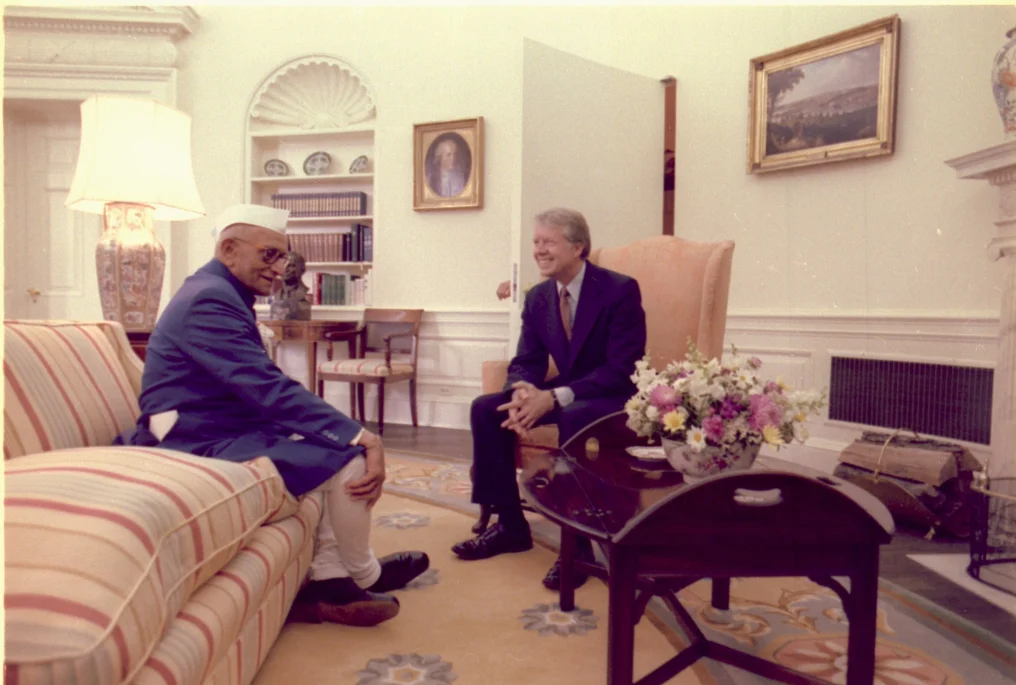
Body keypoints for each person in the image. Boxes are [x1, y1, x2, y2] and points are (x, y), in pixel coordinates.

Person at [115, 203, 428, 627]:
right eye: (269, 255)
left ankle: (334, 577)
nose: (280, 268)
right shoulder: (209, 298)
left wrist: (334, 432)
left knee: (329, 446)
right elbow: (264, 387)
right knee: (350, 458)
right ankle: (363, 573)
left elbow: (255, 387)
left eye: (283, 256)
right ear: (229, 249)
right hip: (190, 437)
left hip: (219, 424)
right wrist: (361, 435)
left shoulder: (220, 290)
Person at [451, 208, 646, 591]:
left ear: (578, 247)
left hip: (612, 397)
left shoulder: (620, 290)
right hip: (568, 394)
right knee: (487, 410)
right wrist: (522, 392)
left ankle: (579, 547)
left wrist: (553, 397)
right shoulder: (539, 297)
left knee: (573, 417)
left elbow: (623, 368)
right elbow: (526, 361)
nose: (539, 250)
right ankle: (509, 526)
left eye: (548, 242)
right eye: (536, 242)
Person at [269, 250, 311, 320]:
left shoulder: (304, 294)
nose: (285, 269)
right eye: (284, 265)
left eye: (291, 266)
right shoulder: (277, 294)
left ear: (301, 270)